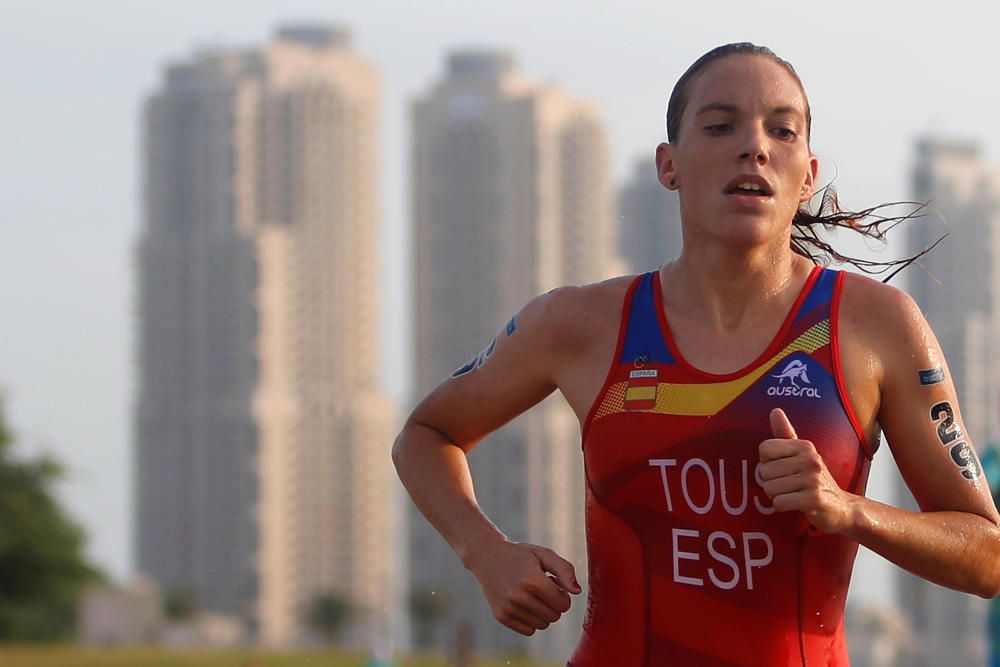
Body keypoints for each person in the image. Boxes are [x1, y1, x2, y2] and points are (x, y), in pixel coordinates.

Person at [392, 42, 1000, 665]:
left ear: (809, 172)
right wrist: (484, 551)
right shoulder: (583, 323)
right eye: (719, 125)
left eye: (782, 130)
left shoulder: (876, 325)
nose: (754, 146)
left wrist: (848, 511)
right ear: (668, 164)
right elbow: (427, 432)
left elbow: (987, 554)